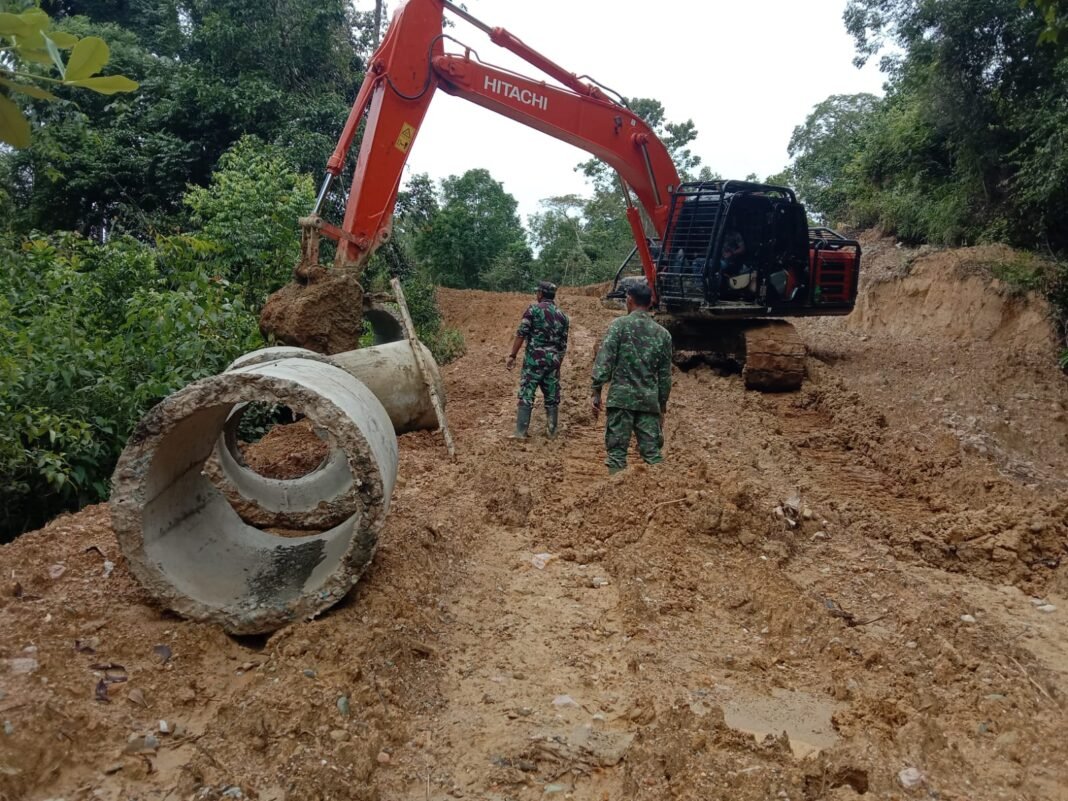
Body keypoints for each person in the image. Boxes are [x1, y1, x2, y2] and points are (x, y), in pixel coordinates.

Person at [590, 282, 673, 472]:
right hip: (648, 402)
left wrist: (596, 392)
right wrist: (662, 407)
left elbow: (604, 361)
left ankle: (615, 495)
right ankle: (656, 492)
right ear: (651, 302)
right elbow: (665, 376)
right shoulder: (663, 335)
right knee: (652, 454)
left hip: (621, 401)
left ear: (629, 300)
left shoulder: (619, 326)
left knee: (617, 454)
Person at [507, 281, 570, 439]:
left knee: (527, 393)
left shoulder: (533, 310)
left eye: (537, 292)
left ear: (540, 294)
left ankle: (521, 433)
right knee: (552, 397)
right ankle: (552, 432)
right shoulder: (563, 316)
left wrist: (512, 355)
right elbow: (563, 346)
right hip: (553, 362)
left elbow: (521, 333)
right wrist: (557, 366)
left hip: (534, 362)